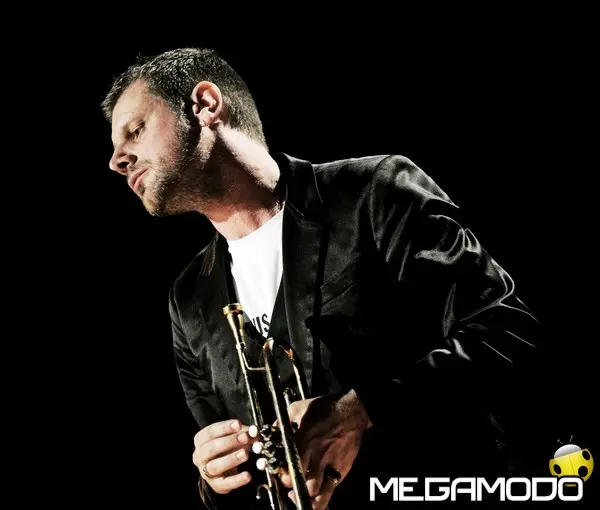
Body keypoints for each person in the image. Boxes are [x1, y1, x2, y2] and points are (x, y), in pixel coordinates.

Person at [101, 48, 562, 509]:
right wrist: (214, 476)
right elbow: (233, 465)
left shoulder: (374, 191)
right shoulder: (187, 298)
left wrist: (360, 410)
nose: (116, 160)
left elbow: (511, 334)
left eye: (135, 130)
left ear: (205, 104)